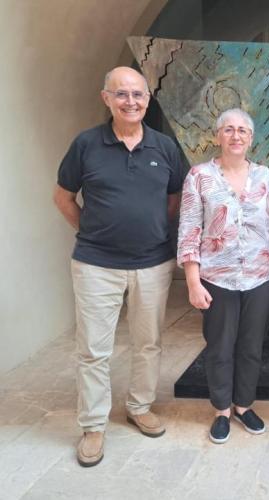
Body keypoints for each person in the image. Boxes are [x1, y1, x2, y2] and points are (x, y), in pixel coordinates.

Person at [53, 67, 184, 467]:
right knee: (94, 349)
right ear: (106, 98)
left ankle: (139, 406)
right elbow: (63, 198)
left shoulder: (164, 147)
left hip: (152, 263)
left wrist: (152, 229)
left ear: (148, 99)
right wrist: (92, 231)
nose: (131, 101)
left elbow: (175, 197)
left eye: (138, 94)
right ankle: (93, 425)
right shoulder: (86, 144)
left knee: (148, 342)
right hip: (96, 264)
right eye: (122, 94)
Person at [177, 108, 269, 444]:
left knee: (252, 346)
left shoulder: (265, 177)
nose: (235, 135)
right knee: (220, 346)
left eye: (242, 130)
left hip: (261, 277)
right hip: (216, 278)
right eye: (228, 129)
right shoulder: (199, 176)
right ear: (218, 136)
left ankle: (244, 405)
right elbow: (189, 229)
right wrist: (193, 281)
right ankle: (222, 410)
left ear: (251, 138)